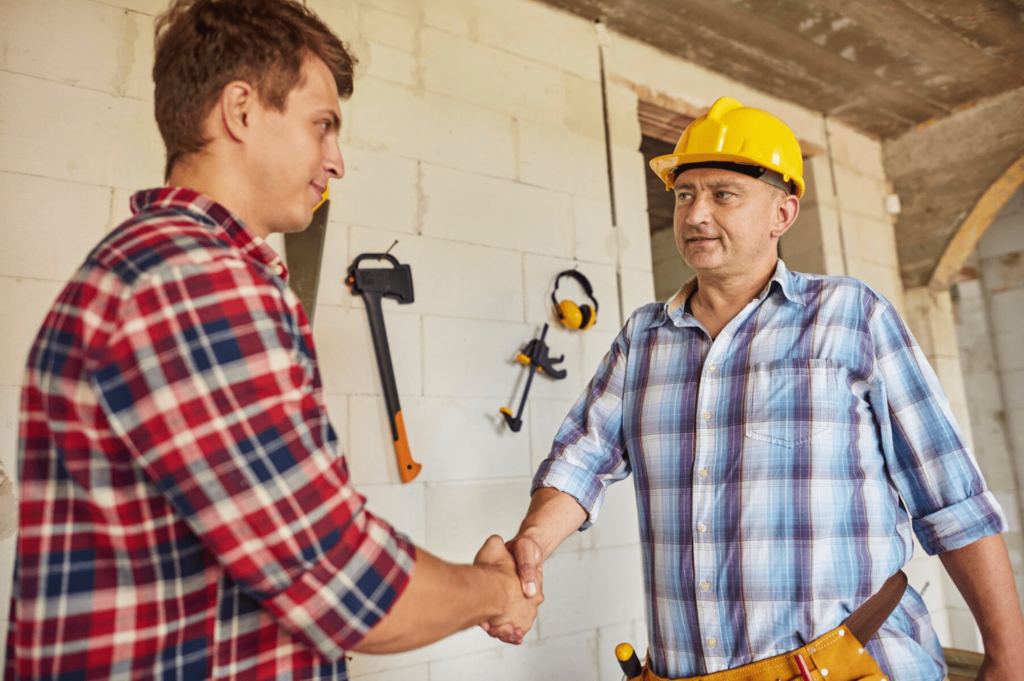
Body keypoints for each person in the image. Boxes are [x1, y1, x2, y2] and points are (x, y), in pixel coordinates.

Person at [5, 1, 539, 678]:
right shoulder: (199, 283)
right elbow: (352, 590)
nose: (336, 161)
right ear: (241, 110)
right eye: (323, 126)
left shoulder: (150, 267)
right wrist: (497, 591)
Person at [491, 96, 1024, 681]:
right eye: (684, 194)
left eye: (723, 195)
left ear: (783, 214)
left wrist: (1009, 656)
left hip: (853, 667)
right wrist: (533, 545)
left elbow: (952, 499)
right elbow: (580, 462)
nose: (695, 215)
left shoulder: (851, 316)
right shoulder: (644, 337)